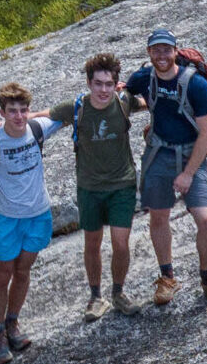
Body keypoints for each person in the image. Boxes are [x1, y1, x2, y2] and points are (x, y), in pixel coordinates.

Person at [127, 27, 207, 304]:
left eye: (166, 49)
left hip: (193, 155)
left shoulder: (196, 84)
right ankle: (167, 279)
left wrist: (188, 174)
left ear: (176, 51)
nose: (161, 55)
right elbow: (126, 91)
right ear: (149, 53)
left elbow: (205, 134)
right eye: (156, 50)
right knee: (159, 217)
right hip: (158, 155)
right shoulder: (144, 77)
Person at [0, 81, 64, 364]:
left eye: (23, 110)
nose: (18, 116)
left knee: (23, 271)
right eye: (12, 111)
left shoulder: (38, 128)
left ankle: (13, 323)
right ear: (2, 112)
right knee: (2, 274)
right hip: (6, 218)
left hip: (38, 214)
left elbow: (69, 111)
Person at [53, 52, 145, 319]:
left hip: (122, 185)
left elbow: (154, 101)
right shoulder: (76, 108)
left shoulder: (124, 102)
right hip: (89, 187)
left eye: (108, 84)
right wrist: (2, 124)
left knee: (120, 242)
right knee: (92, 243)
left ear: (116, 84)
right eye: (98, 83)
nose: (103, 89)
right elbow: (39, 117)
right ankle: (95, 297)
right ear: (89, 83)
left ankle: (118, 292)